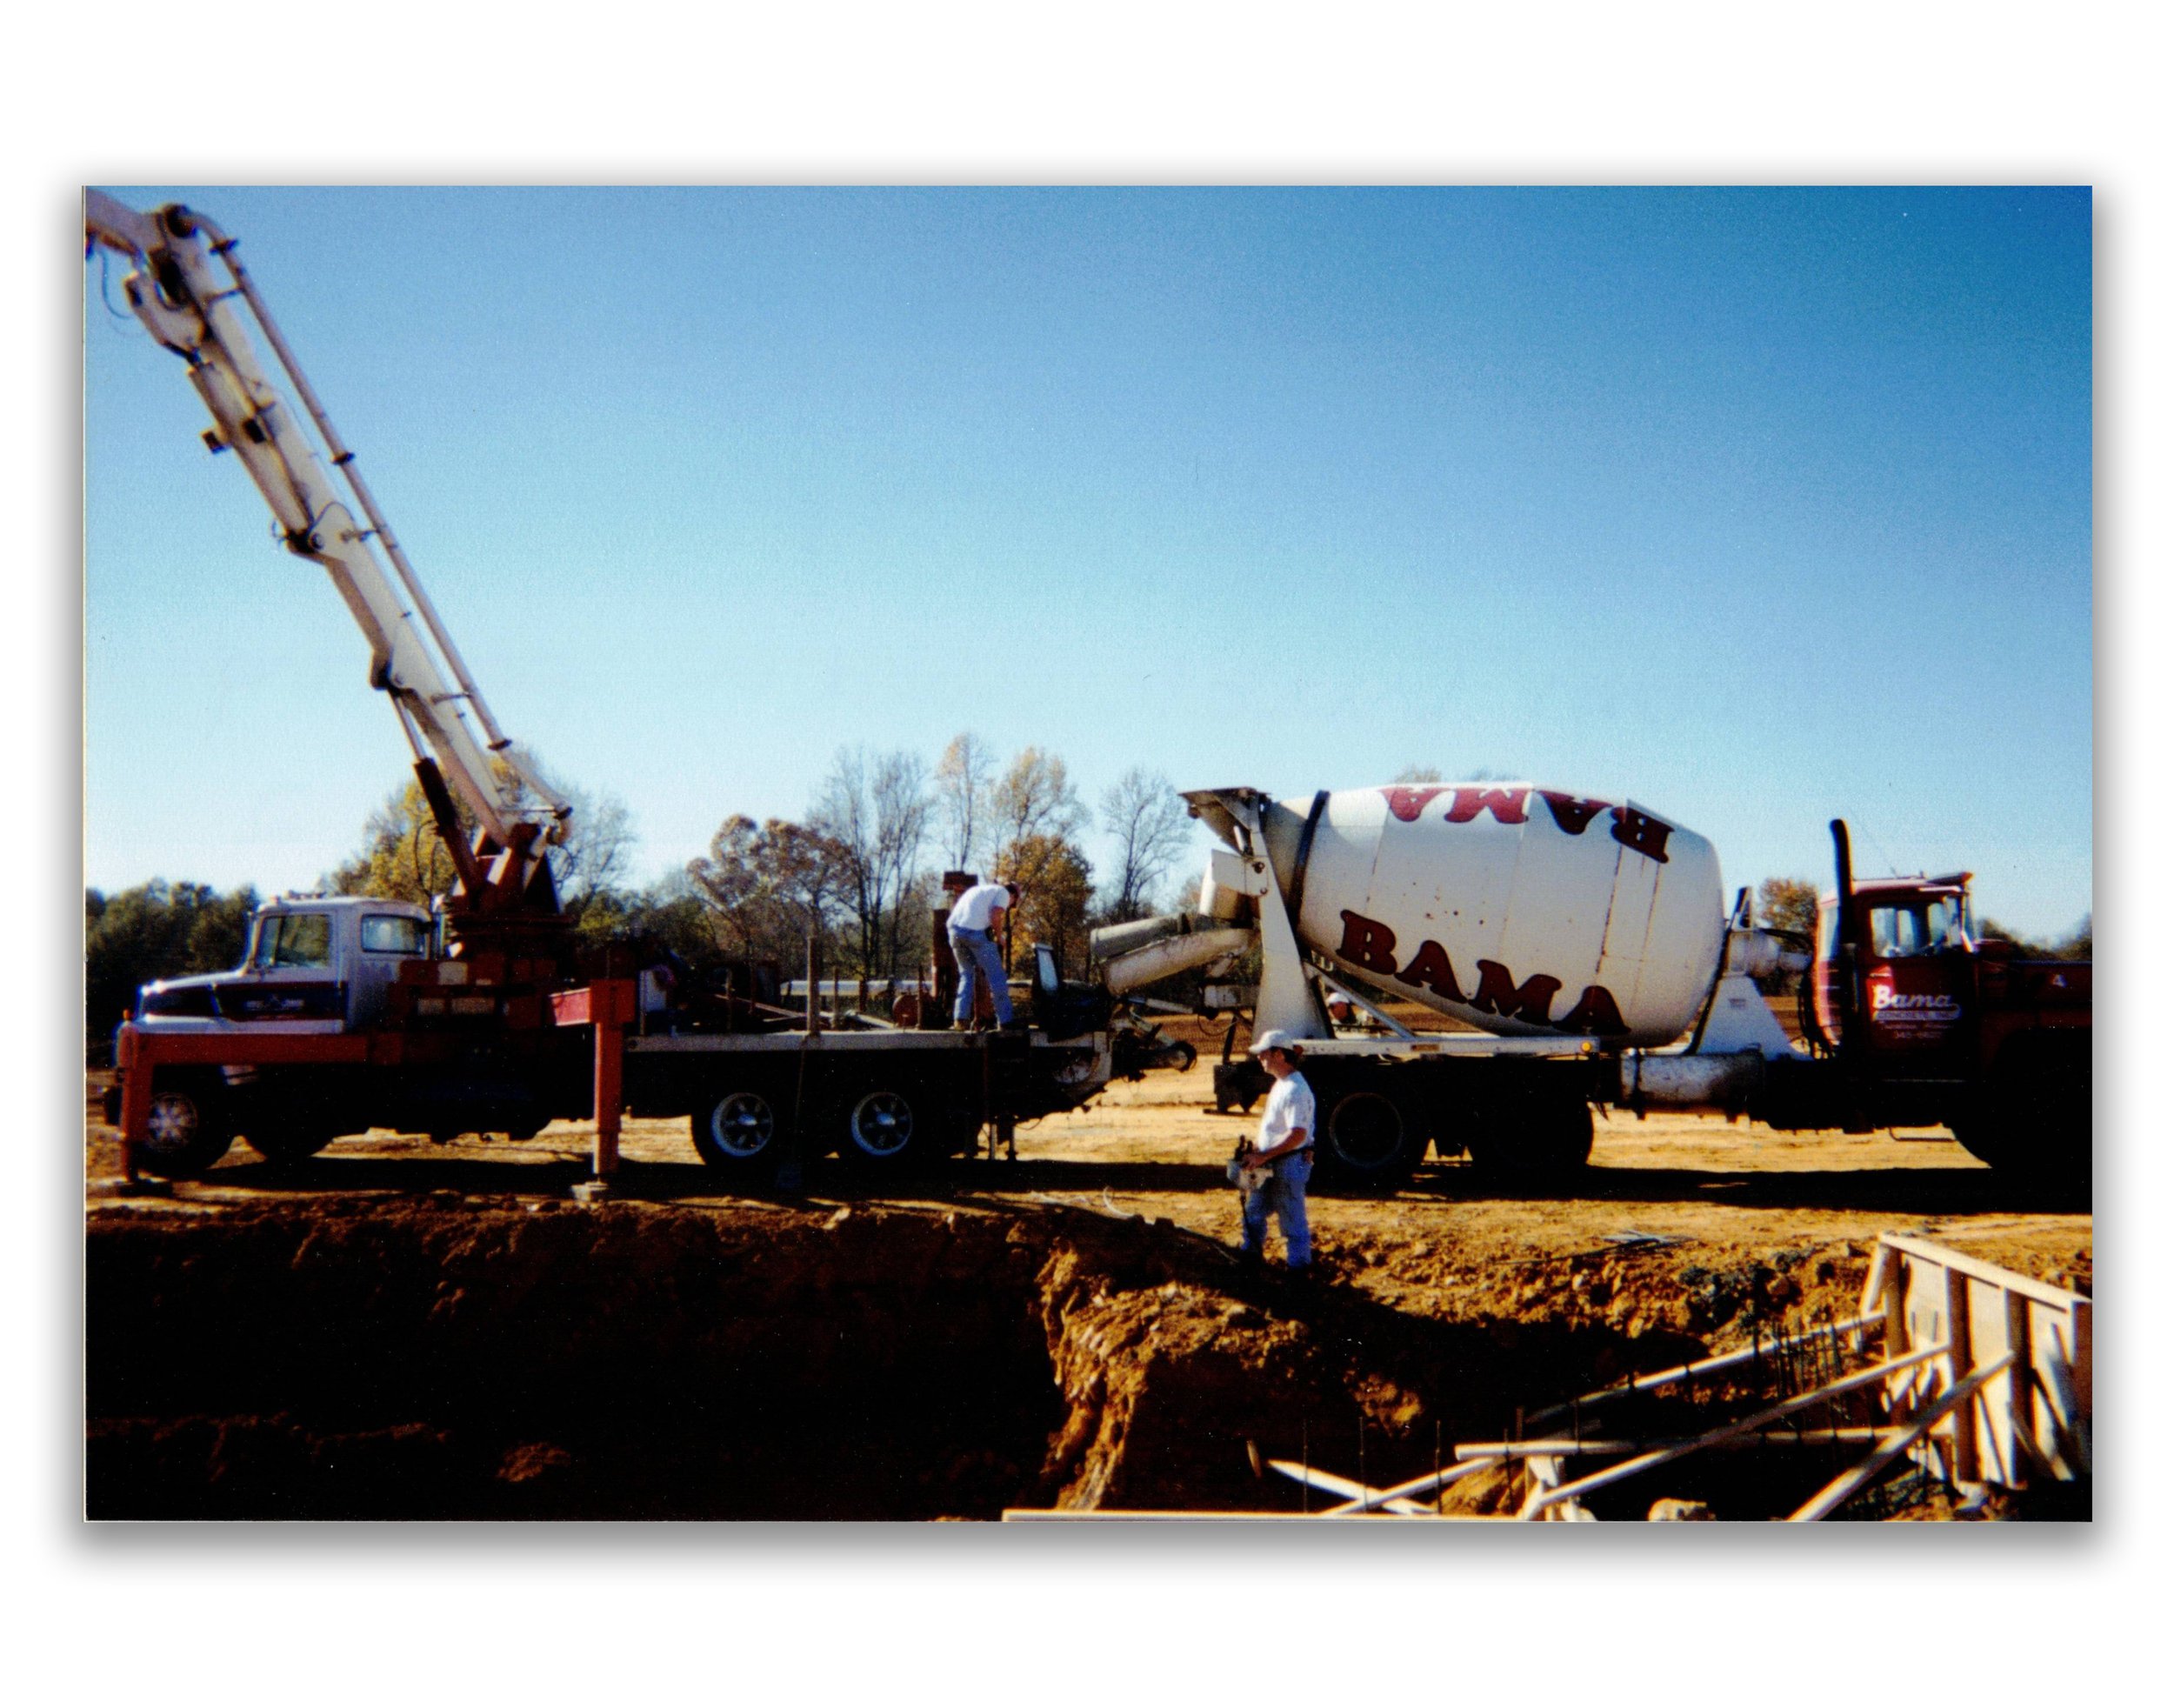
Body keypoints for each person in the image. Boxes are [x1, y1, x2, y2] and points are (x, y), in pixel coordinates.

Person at [1236, 1028, 1314, 1271]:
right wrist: (1259, 1150)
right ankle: (1250, 1257)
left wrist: (1262, 1156)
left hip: (1286, 1164)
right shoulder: (1282, 1085)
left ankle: (1299, 1269)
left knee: (1292, 1219)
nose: (1259, 1058)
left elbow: (1298, 1133)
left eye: (1263, 1053)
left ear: (1279, 1054)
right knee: (1254, 1212)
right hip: (1270, 1163)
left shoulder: (1295, 1090)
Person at [944, 873, 1023, 1030]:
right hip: (975, 933)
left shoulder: (979, 890)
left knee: (966, 975)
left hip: (954, 932)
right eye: (1013, 903)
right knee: (997, 976)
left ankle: (960, 1019)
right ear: (1013, 895)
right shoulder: (1003, 893)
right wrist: (999, 937)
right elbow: (995, 915)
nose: (1010, 905)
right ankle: (1006, 1021)